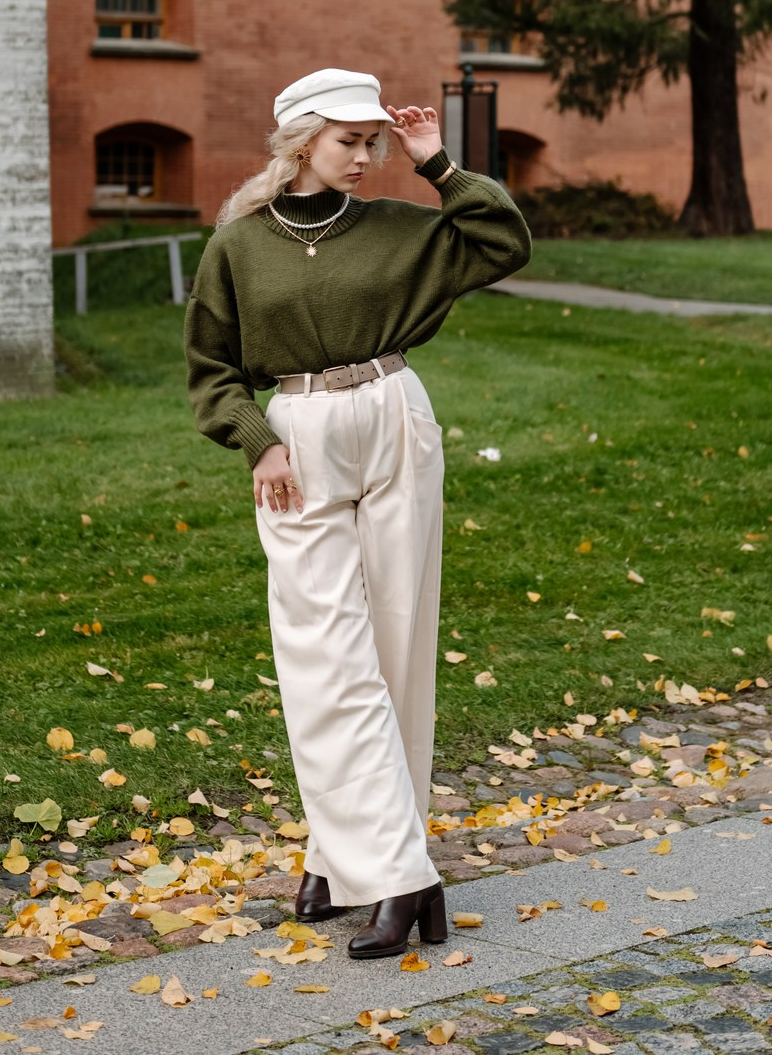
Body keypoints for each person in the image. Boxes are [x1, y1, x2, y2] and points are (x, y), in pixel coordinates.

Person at [184, 67, 531, 959]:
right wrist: (256, 439)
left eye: (376, 140)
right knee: (323, 659)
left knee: (397, 647)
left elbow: (503, 242)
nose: (368, 156)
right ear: (302, 142)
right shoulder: (239, 246)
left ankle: (350, 862)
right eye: (351, 141)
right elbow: (213, 368)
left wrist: (439, 164)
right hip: (297, 440)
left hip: (395, 416)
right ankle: (402, 878)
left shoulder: (402, 227)